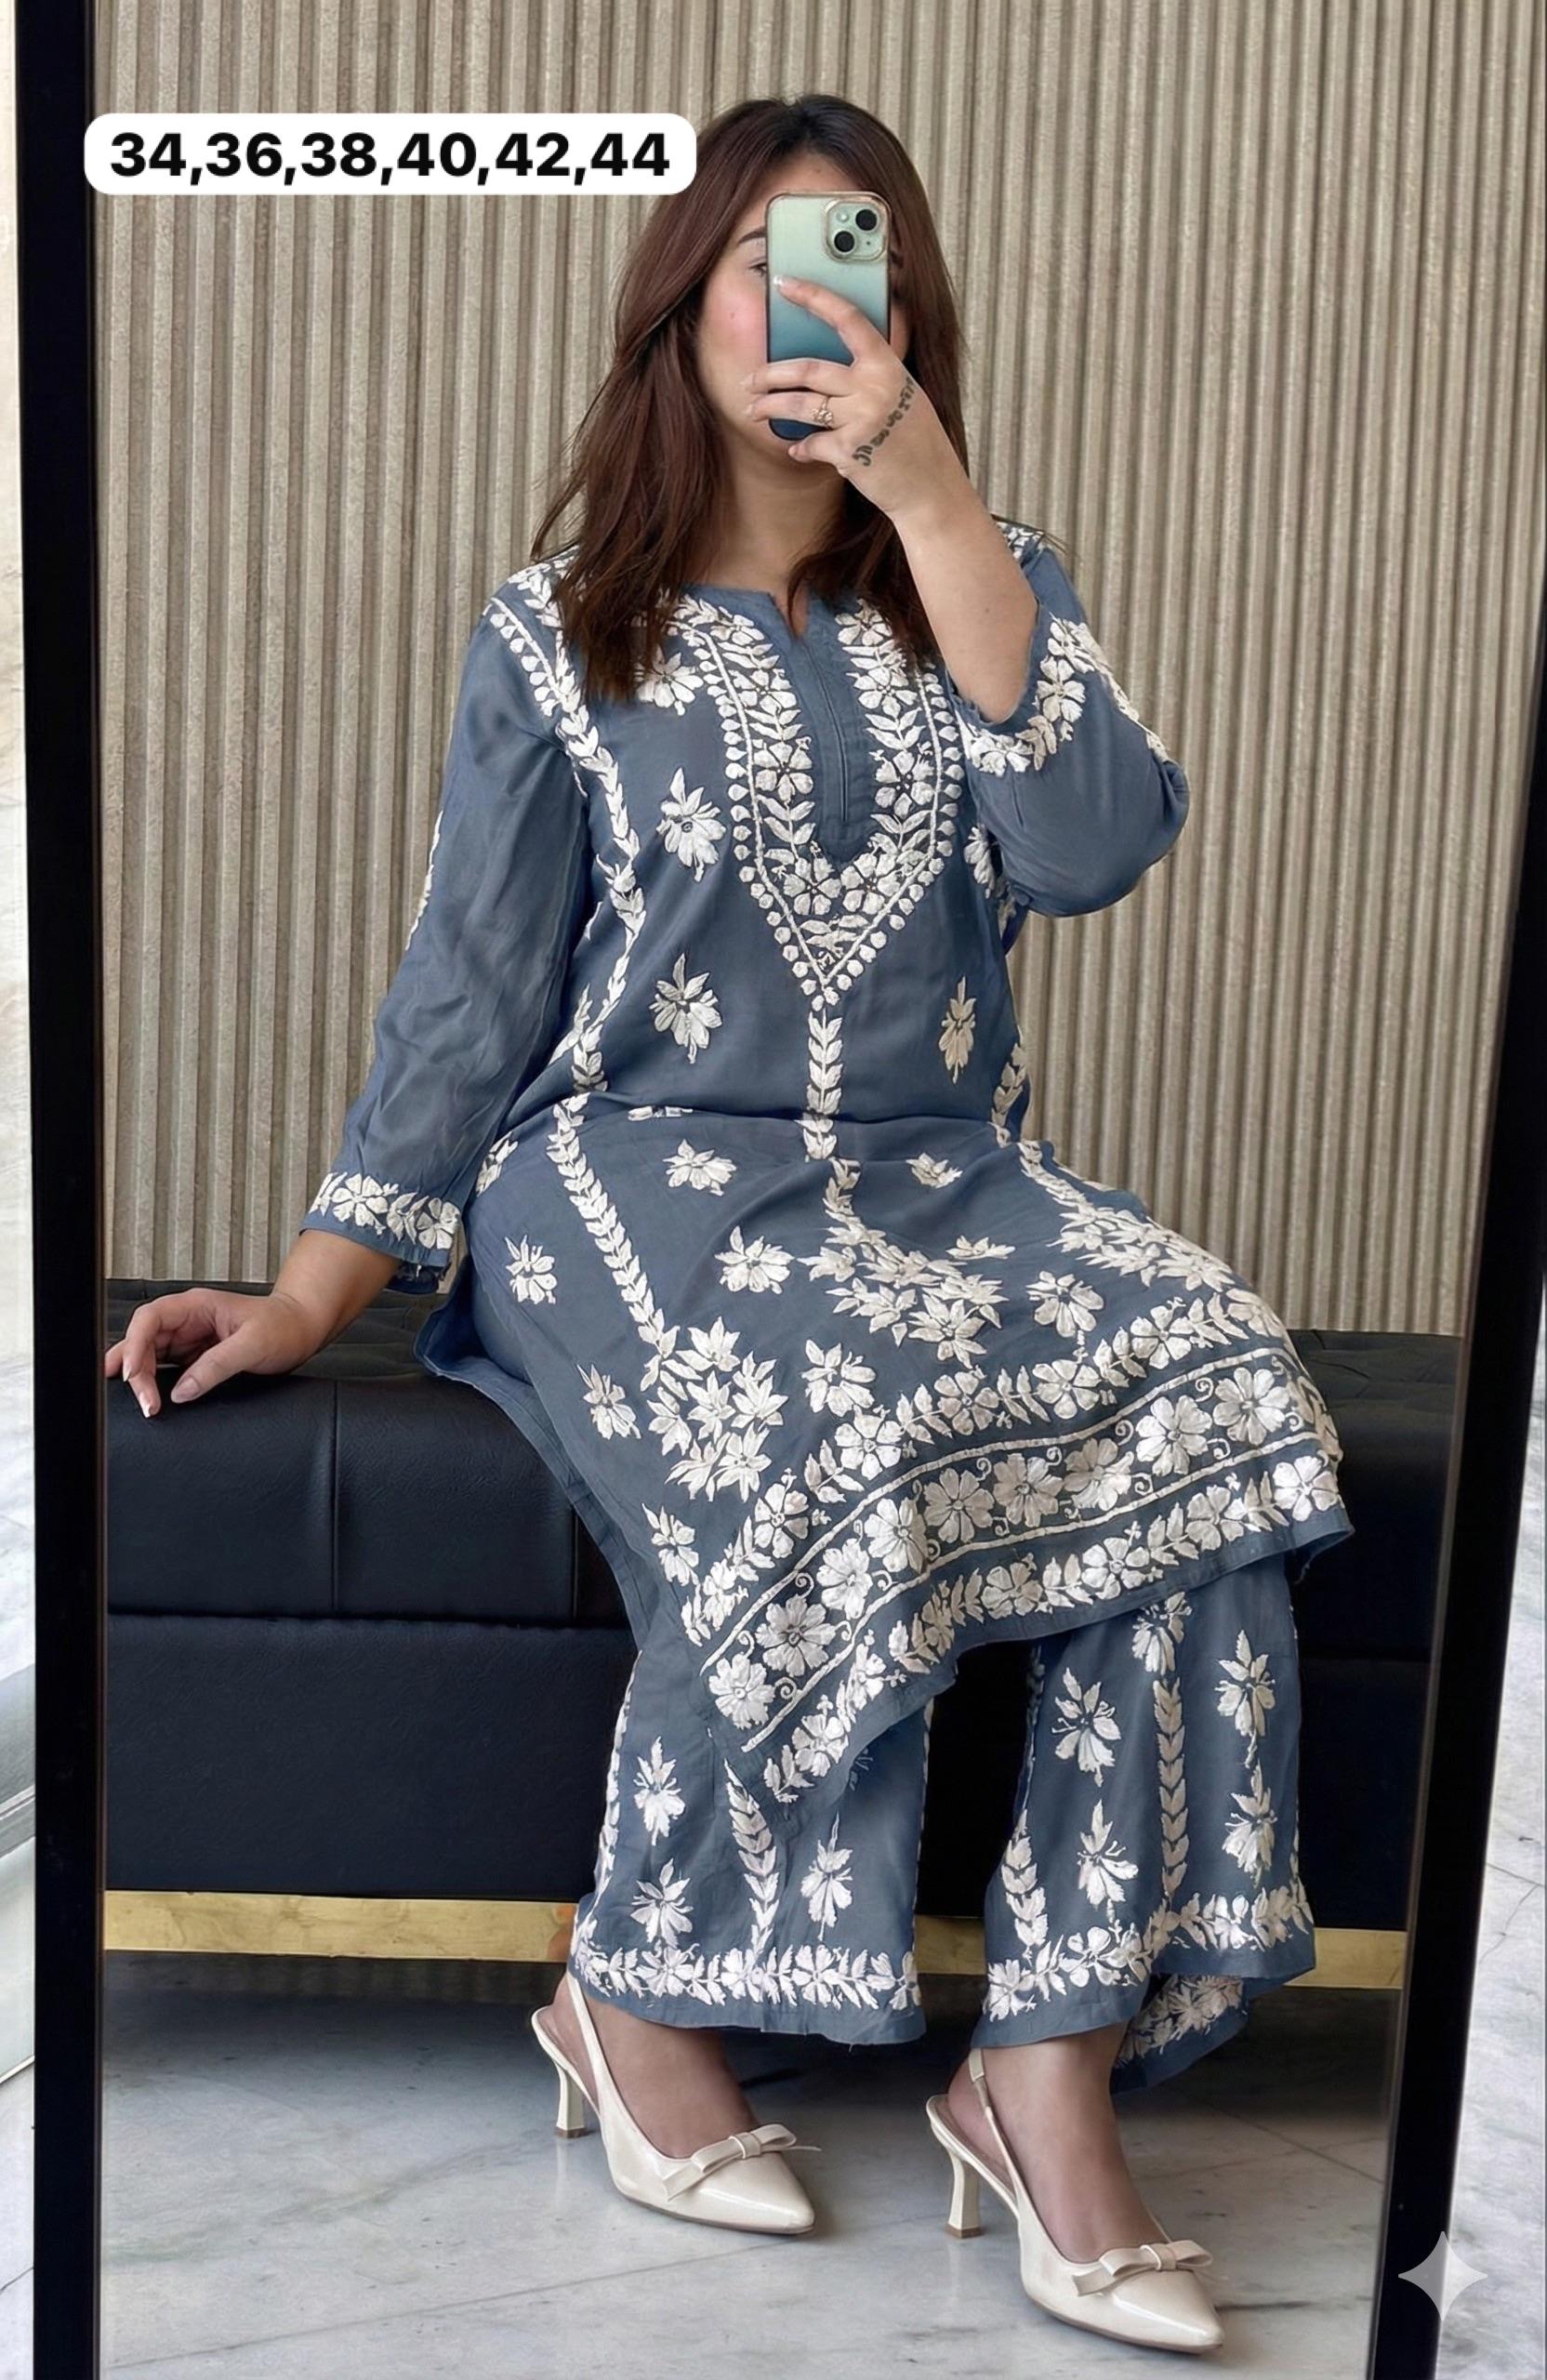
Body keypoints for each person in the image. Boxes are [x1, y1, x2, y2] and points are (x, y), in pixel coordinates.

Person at [105, 99, 1353, 2357]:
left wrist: (935, 504)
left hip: (942, 1173)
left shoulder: (989, 579)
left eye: (850, 270)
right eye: (759, 270)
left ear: (908, 315)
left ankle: (1043, 2072)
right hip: (627, 1179)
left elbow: (1089, 846)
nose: (804, 318)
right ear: (678, 310)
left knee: (1208, 1372)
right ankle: (641, 1992)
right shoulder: (554, 630)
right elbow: (471, 990)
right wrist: (311, 1290)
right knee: (835, 1397)